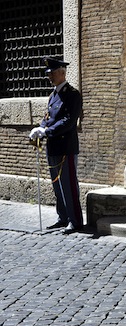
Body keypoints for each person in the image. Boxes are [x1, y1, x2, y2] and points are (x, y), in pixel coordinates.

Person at [28, 57, 84, 234]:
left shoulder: (72, 94)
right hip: (53, 147)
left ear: (62, 72)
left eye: (52, 73)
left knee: (68, 184)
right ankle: (63, 217)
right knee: (56, 185)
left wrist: (47, 131)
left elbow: (69, 121)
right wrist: (39, 128)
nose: (49, 76)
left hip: (66, 147)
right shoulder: (53, 95)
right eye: (48, 73)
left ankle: (75, 220)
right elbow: (48, 118)